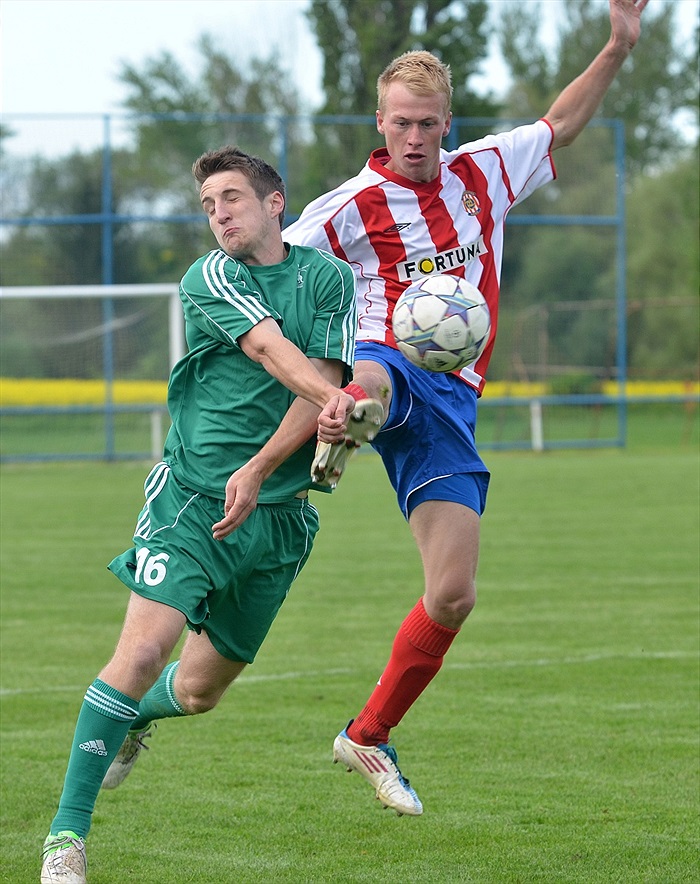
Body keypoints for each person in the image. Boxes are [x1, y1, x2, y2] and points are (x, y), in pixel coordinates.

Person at [285, 0, 648, 817]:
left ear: (448, 123)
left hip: (453, 401)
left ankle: (368, 734)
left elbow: (560, 123)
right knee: (376, 378)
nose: (416, 138)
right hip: (384, 358)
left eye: (430, 125)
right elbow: (279, 267)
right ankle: (344, 414)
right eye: (402, 123)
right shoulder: (347, 209)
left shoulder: (484, 170)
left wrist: (619, 47)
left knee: (453, 594)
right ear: (380, 121)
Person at [40, 145, 382, 883]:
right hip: (192, 498)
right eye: (208, 204)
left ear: (274, 201)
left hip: (280, 514)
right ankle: (65, 841)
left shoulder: (326, 278)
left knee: (197, 692)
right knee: (139, 655)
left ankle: (133, 720)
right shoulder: (210, 277)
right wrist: (336, 406)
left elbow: (317, 377)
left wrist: (265, 465)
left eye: (231, 197)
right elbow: (271, 351)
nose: (218, 213)